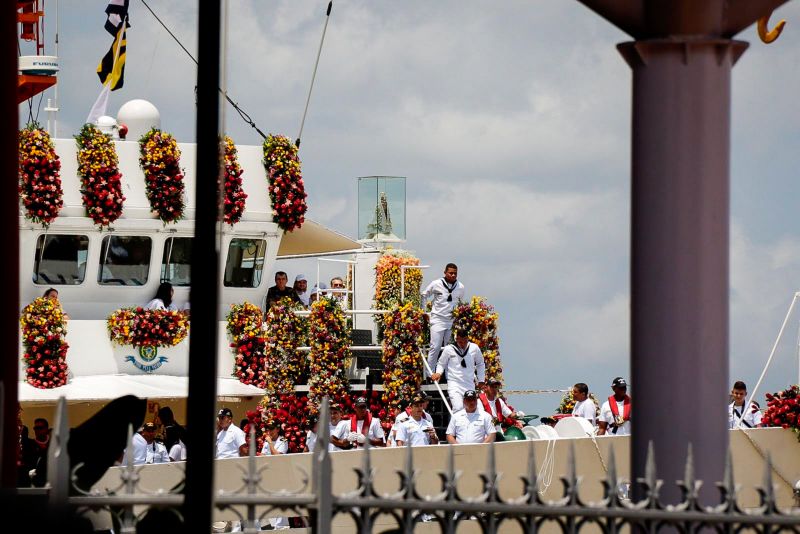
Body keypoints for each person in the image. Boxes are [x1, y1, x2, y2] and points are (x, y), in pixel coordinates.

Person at [422, 263, 465, 374]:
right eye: (450, 273)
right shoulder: (436, 283)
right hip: (437, 319)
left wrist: (458, 317)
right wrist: (424, 312)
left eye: (455, 273)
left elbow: (460, 303)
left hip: (451, 321)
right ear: (445, 272)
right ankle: (430, 374)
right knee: (435, 347)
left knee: (449, 348)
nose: (453, 275)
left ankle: (447, 373)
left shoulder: (460, 287)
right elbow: (424, 295)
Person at [432, 329, 485, 412]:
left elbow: (480, 363)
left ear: (467, 339)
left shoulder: (474, 348)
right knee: (458, 407)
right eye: (460, 342)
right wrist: (438, 373)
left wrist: (481, 380)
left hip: (469, 383)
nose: (463, 344)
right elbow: (441, 363)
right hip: (454, 383)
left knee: (472, 408)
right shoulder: (449, 349)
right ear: (456, 339)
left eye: (465, 342)